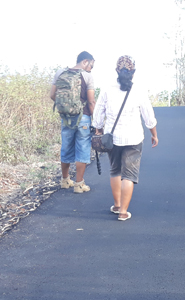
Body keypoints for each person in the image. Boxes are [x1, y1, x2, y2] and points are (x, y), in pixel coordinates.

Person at [93, 55, 159, 221]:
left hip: (112, 139)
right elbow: (149, 117)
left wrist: (99, 129)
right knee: (129, 175)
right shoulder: (139, 91)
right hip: (134, 138)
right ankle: (123, 212)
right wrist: (154, 135)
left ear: (117, 71)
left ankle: (116, 205)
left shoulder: (107, 89)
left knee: (115, 170)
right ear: (133, 72)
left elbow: (98, 114)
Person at [49, 52, 96, 193]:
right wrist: (96, 120)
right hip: (83, 117)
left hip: (66, 117)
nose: (91, 69)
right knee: (82, 148)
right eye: (91, 66)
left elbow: (52, 95)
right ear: (85, 61)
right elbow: (91, 100)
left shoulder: (60, 73)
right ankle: (79, 184)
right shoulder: (87, 76)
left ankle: (65, 180)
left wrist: (66, 107)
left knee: (66, 147)